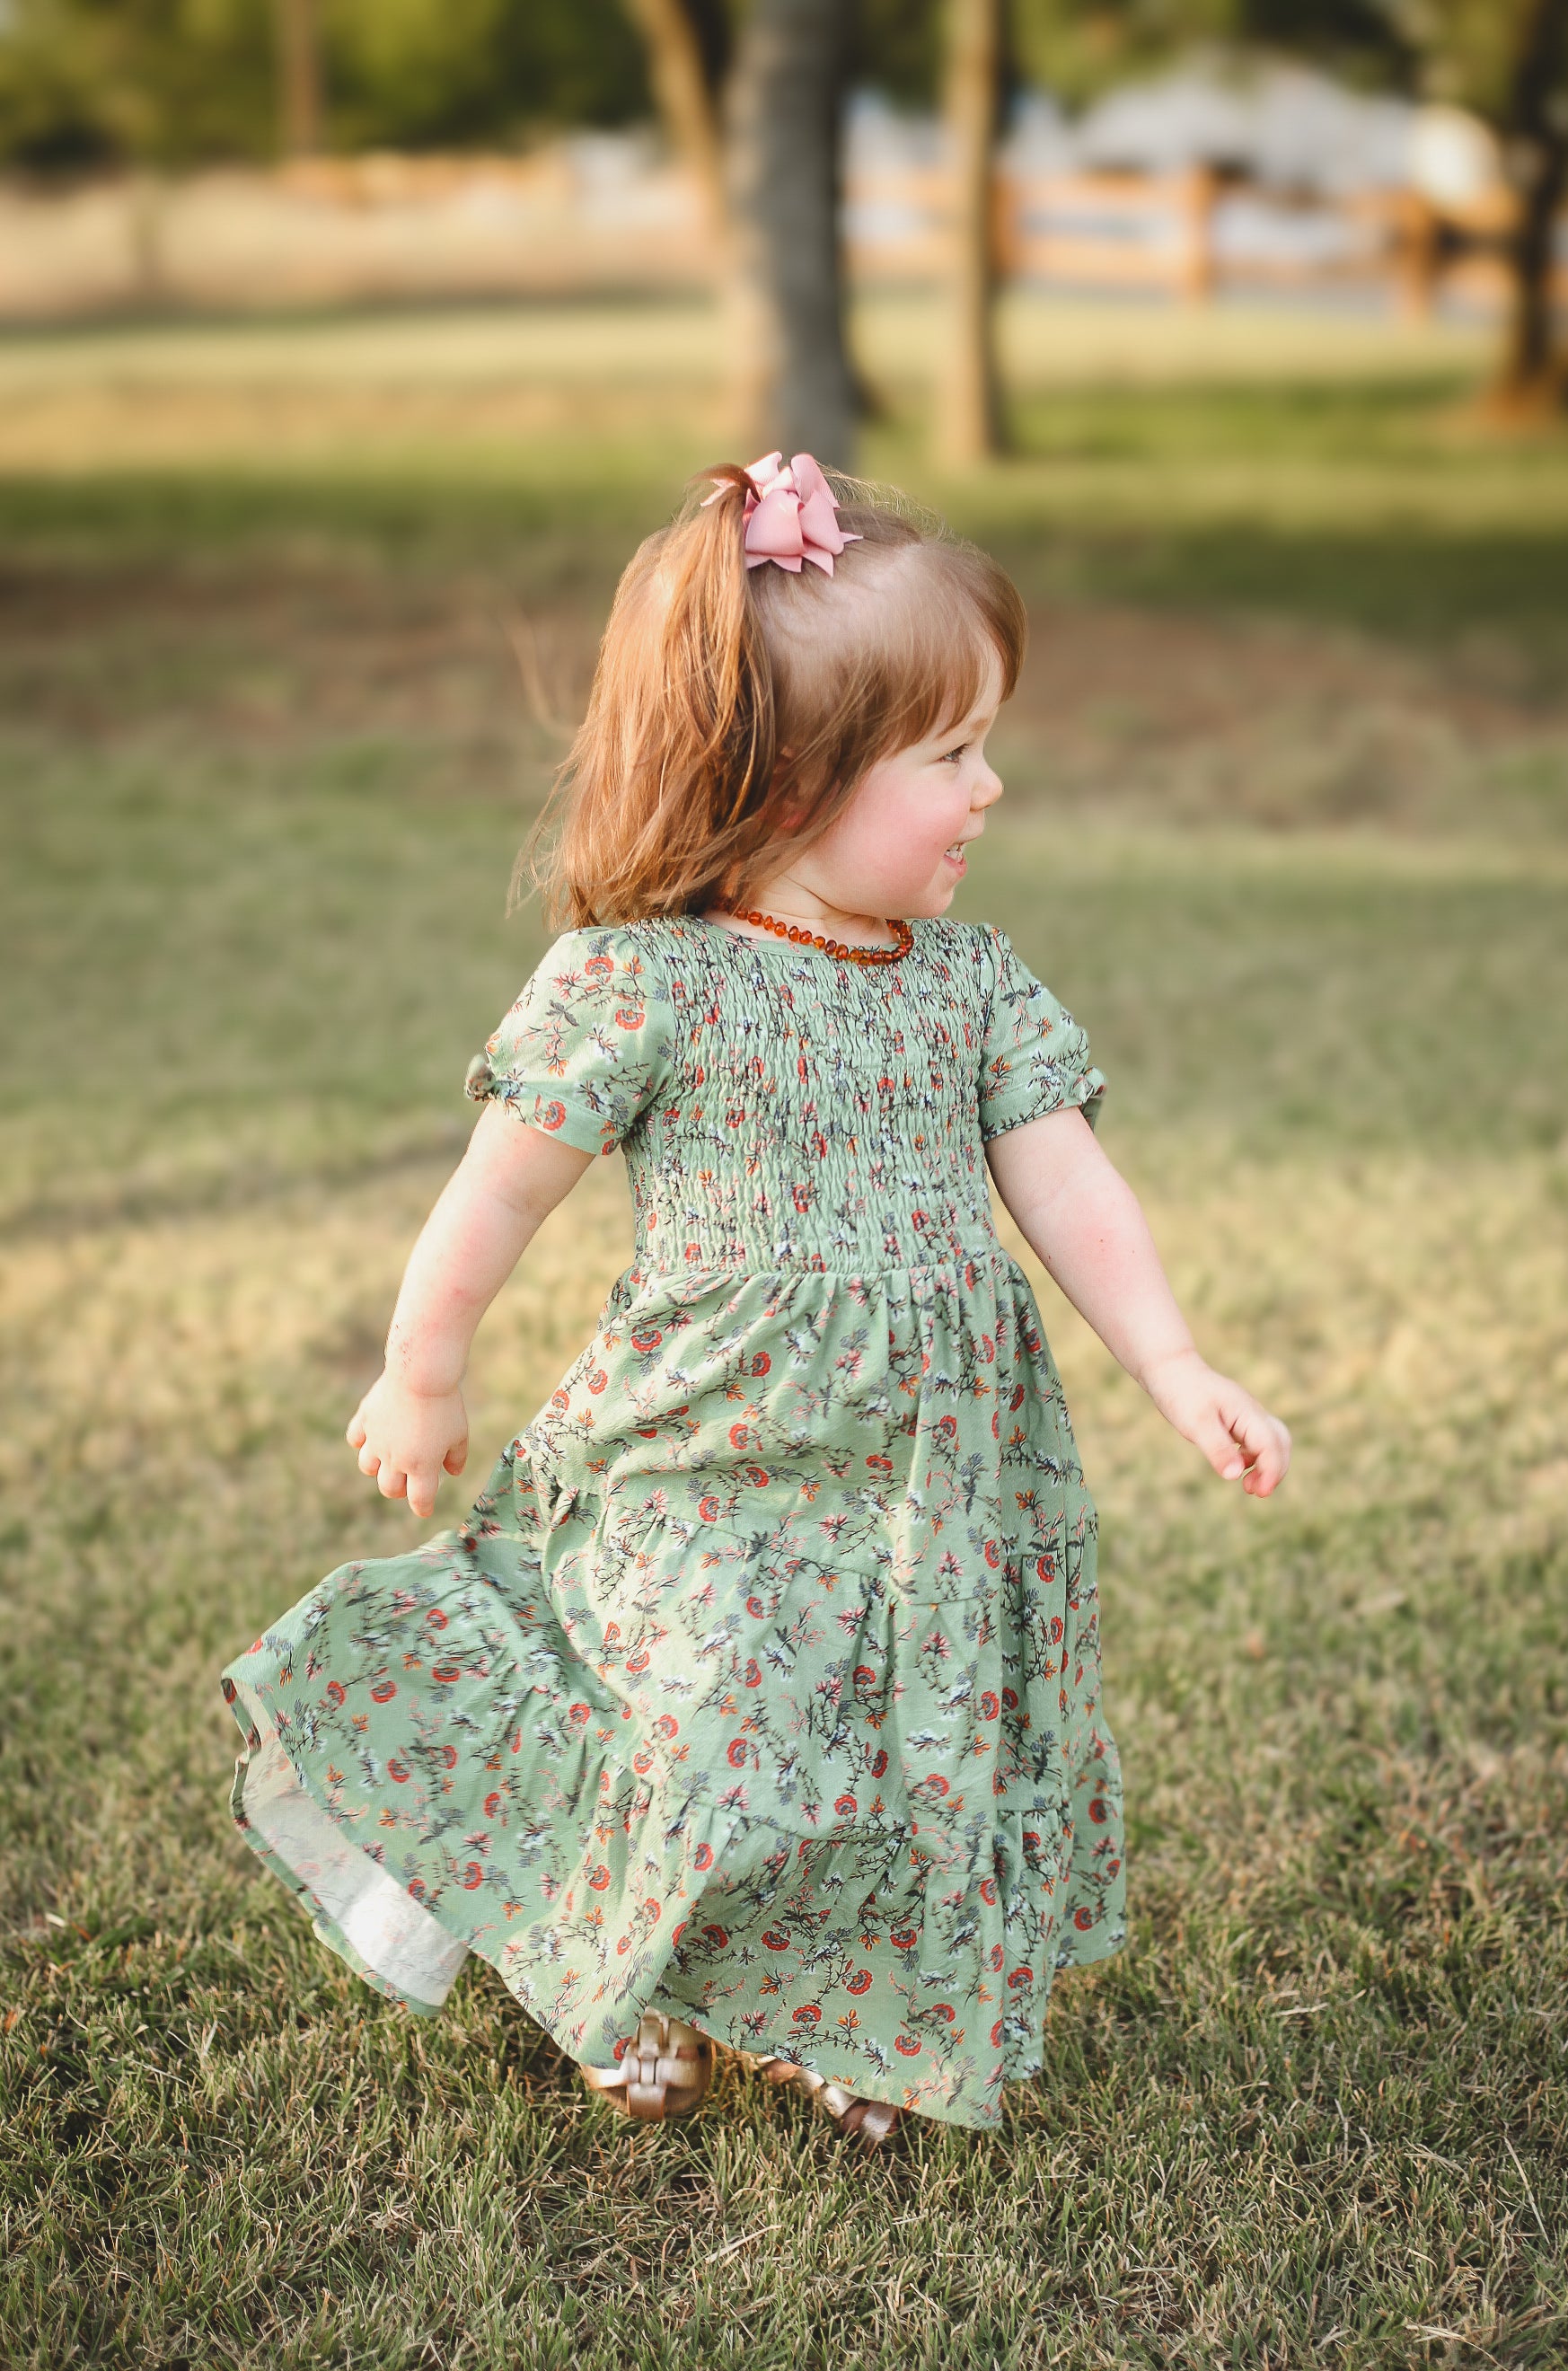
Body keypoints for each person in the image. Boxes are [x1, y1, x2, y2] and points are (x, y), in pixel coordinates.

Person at [220, 452, 1291, 2149]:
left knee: (877, 1745)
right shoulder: (645, 977)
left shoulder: (972, 984)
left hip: (924, 1476)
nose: (992, 788)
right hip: (706, 1456)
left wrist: (1173, 1360)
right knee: (706, 1723)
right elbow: (496, 1189)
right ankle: (618, 1976)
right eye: (950, 754)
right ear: (790, 784)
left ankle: (832, 2011)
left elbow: (1067, 1180)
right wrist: (422, 1370)